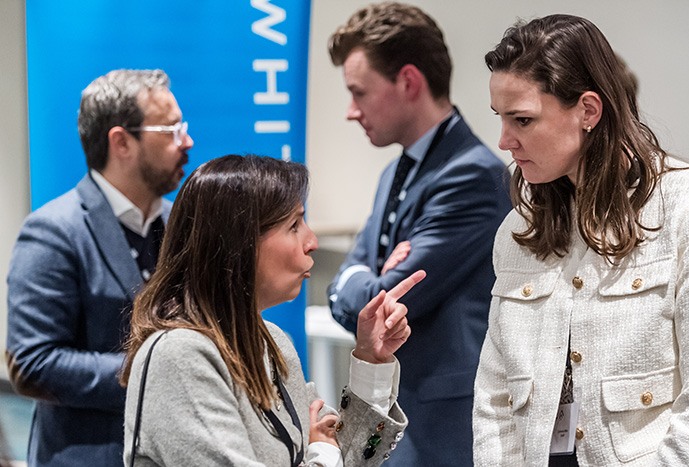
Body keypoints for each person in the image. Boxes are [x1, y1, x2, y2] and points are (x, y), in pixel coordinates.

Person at [473, 14, 689, 466]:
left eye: (522, 120)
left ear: (588, 111)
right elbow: (494, 403)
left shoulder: (685, 208)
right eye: (501, 118)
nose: (504, 141)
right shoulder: (517, 231)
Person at [120, 154, 425, 466]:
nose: (312, 241)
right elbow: (331, 455)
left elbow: (347, 459)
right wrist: (322, 452)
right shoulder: (179, 356)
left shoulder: (272, 341)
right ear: (239, 243)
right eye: (294, 225)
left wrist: (370, 360)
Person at [326, 3, 511, 465]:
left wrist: (363, 278)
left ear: (408, 81)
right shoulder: (393, 172)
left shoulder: (472, 174)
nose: (351, 111)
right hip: (397, 419)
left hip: (441, 433)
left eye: (359, 92)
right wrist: (362, 279)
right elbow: (348, 290)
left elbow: (384, 304)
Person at [5, 69, 193, 467]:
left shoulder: (181, 224)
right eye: (171, 130)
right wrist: (155, 370)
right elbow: (31, 365)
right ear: (121, 142)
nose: (186, 141)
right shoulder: (54, 231)